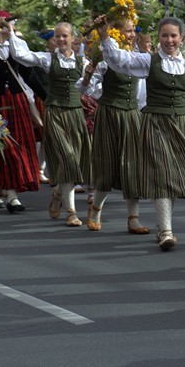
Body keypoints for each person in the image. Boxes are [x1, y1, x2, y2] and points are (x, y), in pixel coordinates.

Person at [100, 17, 185, 250]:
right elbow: (120, 60)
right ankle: (166, 231)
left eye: (173, 35)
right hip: (155, 122)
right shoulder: (149, 61)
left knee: (173, 176)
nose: (169, 40)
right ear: (158, 37)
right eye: (164, 35)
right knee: (163, 174)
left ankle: (163, 226)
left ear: (181, 38)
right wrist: (106, 38)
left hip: (180, 124)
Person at [8, 21, 92, 226]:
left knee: (74, 159)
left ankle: (57, 192)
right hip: (54, 113)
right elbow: (21, 56)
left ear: (73, 38)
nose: (61, 40)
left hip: (74, 114)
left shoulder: (83, 62)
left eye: (65, 36)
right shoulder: (48, 59)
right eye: (58, 36)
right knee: (67, 158)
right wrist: (11, 32)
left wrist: (90, 76)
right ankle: (71, 211)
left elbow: (91, 88)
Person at [78, 19, 148, 233]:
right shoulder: (105, 59)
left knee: (133, 166)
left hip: (132, 114)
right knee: (107, 163)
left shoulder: (138, 57)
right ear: (117, 33)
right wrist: (88, 76)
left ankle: (133, 218)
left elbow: (142, 92)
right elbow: (85, 89)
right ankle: (96, 209)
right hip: (109, 113)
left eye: (133, 31)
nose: (132, 35)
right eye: (128, 31)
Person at [0, 14, 44, 212]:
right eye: (4, 24)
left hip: (15, 100)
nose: (8, 27)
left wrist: (47, 97)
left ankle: (12, 195)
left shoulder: (15, 46)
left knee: (16, 146)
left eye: (9, 24)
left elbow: (29, 74)